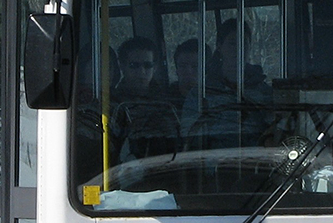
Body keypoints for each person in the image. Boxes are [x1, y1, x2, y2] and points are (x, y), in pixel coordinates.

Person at [188, 20, 271, 149]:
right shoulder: (202, 93)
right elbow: (189, 137)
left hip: (256, 157)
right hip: (213, 158)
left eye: (244, 43)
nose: (239, 49)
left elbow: (274, 131)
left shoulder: (264, 93)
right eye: (232, 43)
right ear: (219, 46)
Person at [111, 37, 179, 161]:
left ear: (155, 67)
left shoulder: (169, 101)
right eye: (134, 65)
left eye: (148, 65)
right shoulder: (113, 104)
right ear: (122, 66)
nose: (142, 72)